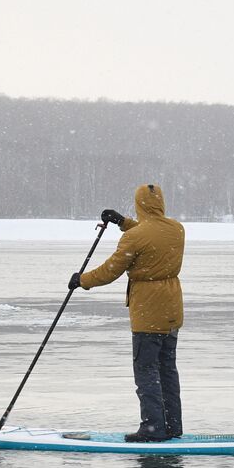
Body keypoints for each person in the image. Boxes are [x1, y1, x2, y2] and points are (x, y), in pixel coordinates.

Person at [70, 184, 186, 442]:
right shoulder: (177, 229)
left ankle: (153, 429)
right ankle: (172, 426)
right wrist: (123, 222)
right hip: (172, 308)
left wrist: (83, 280)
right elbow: (152, 236)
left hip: (148, 310)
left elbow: (112, 269)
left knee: (146, 370)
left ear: (140, 204)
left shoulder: (135, 238)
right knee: (167, 369)